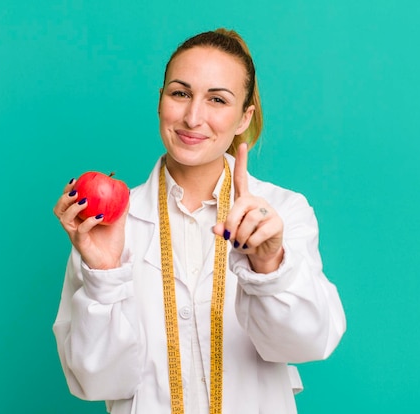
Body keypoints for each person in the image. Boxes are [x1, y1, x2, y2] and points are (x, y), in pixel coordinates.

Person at [52, 28, 346, 414]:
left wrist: (270, 265)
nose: (193, 117)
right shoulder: (107, 227)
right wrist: (105, 275)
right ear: (160, 102)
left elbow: (307, 345)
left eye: (217, 100)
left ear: (244, 118)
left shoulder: (283, 211)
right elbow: (98, 383)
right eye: (180, 93)